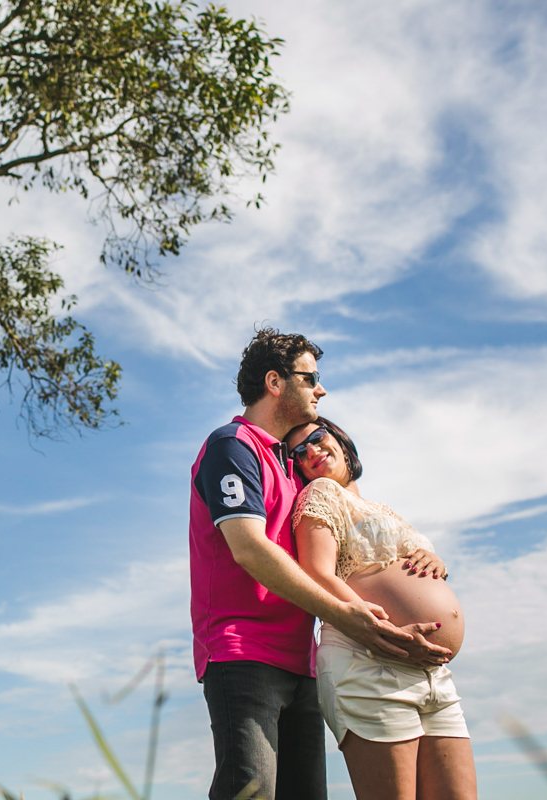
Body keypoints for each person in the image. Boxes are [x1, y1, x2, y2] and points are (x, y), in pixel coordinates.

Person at [189, 327, 451, 800]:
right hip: (244, 651)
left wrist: (414, 557)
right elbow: (248, 547)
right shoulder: (232, 445)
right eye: (310, 378)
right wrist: (348, 616)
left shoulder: (293, 468)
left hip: (302, 659)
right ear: (275, 382)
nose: (321, 390)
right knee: (250, 792)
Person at [285, 417, 477, 800]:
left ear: (340, 439)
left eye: (317, 438)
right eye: (298, 453)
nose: (311, 452)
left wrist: (433, 560)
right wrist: (388, 633)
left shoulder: (379, 507)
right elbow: (317, 574)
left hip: (432, 673)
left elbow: (405, 565)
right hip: (370, 662)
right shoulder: (320, 493)